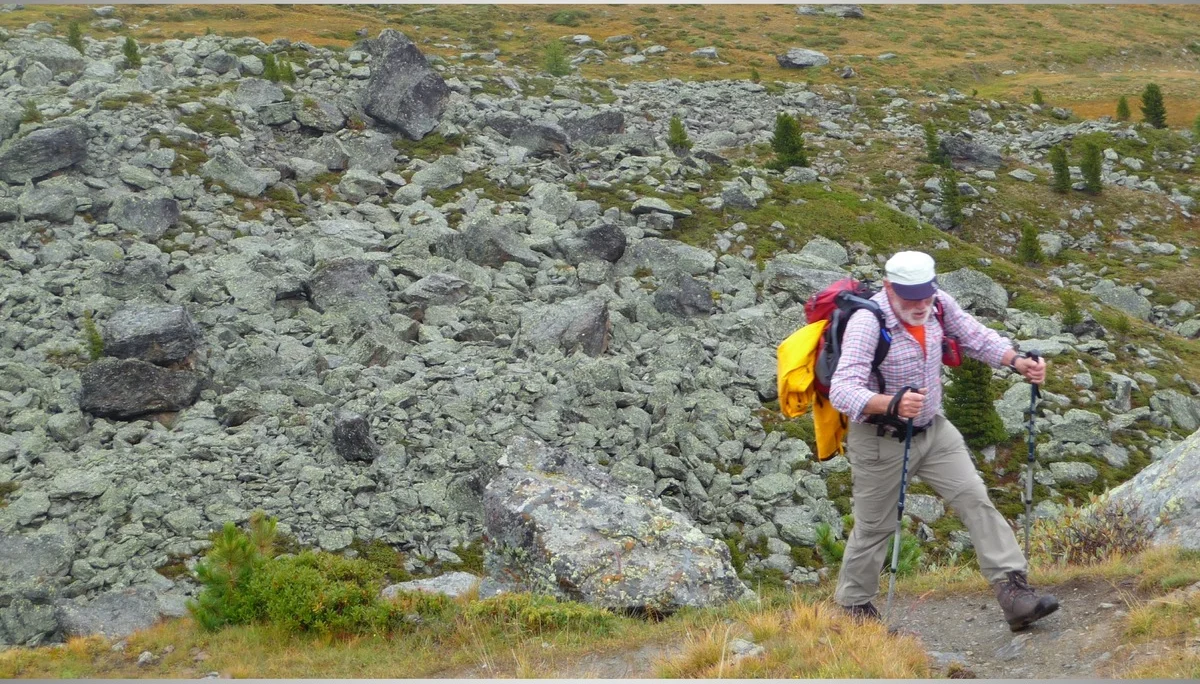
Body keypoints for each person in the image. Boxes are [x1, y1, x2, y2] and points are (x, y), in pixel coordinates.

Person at [828, 250, 1059, 631]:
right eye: (910, 297)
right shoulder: (868, 322)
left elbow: (974, 336)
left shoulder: (938, 304)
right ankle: (854, 610)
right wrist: (890, 403)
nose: (920, 304)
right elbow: (842, 388)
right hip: (880, 438)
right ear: (889, 288)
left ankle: (1014, 593)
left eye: (926, 294)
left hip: (934, 430)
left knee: (974, 498)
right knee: (874, 527)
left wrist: (1016, 361)